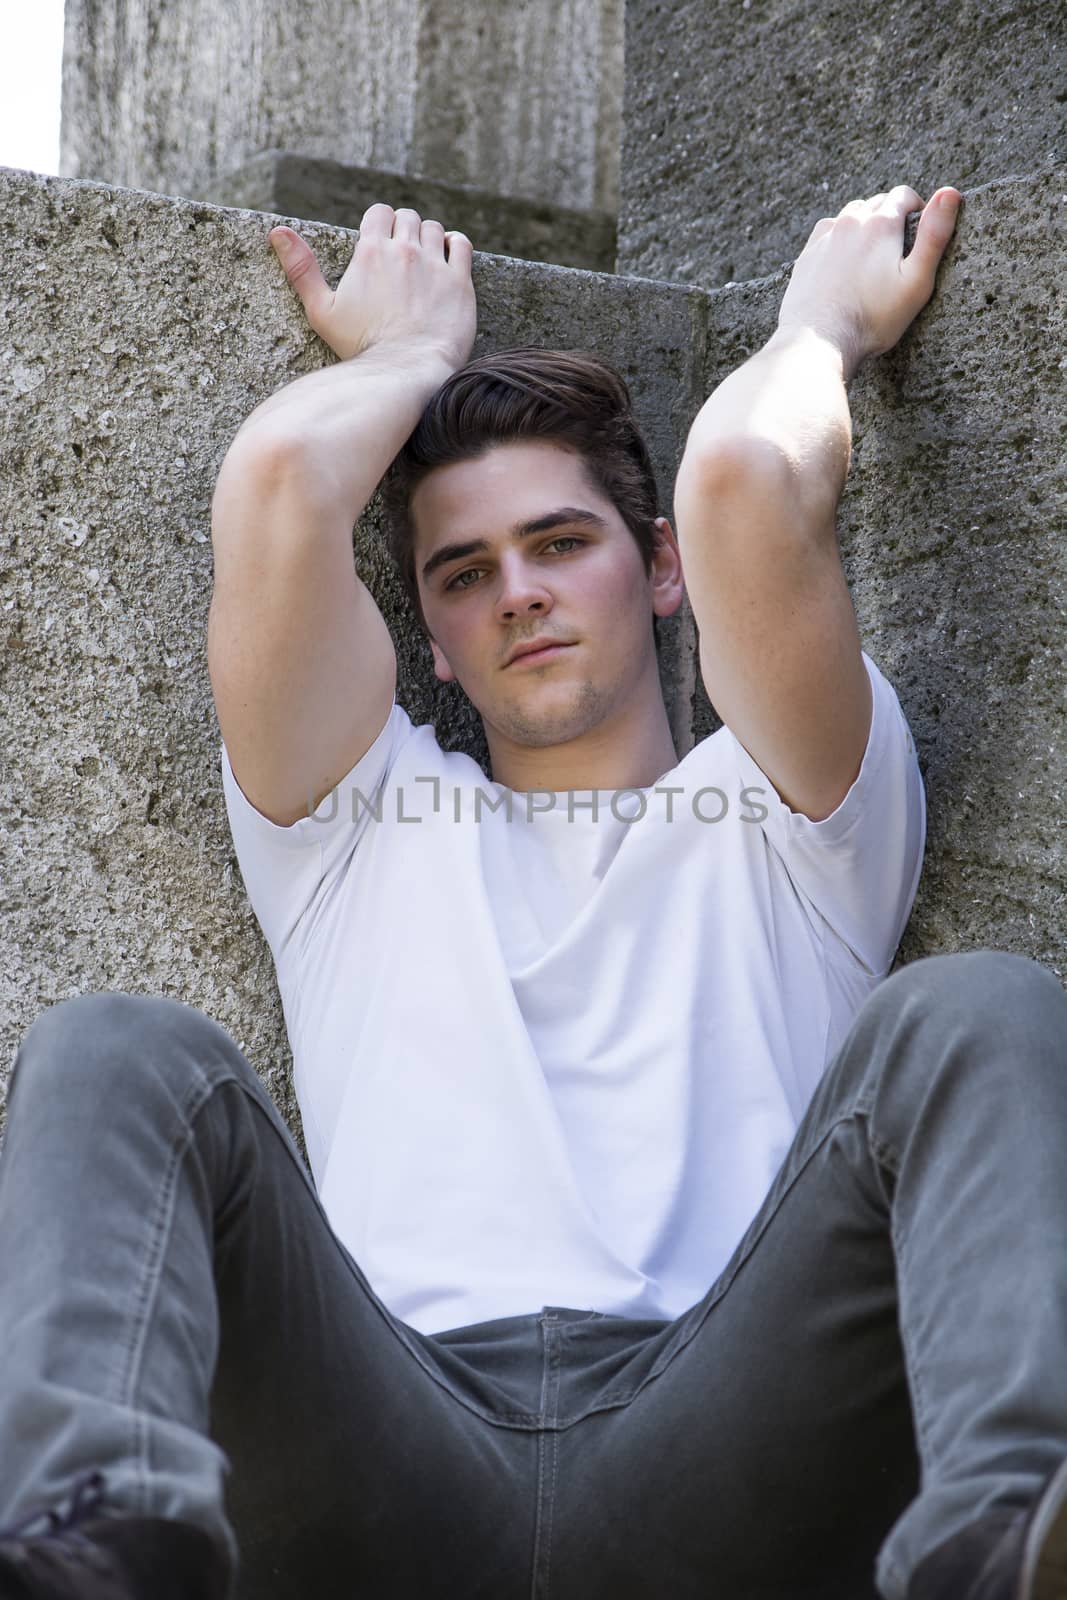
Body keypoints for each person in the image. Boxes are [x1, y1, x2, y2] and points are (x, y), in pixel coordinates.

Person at [0, 187, 1064, 1600]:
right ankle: (94, 1546)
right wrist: (407, 359)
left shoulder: (795, 812)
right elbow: (275, 497)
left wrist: (820, 329)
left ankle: (1007, 1538)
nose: (519, 592)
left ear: (660, 566)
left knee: (977, 1009)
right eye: (466, 571)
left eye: (561, 543)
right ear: (429, 639)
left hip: (731, 1437)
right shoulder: (354, 827)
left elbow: (749, 478)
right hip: (389, 1448)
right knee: (119, 1051)